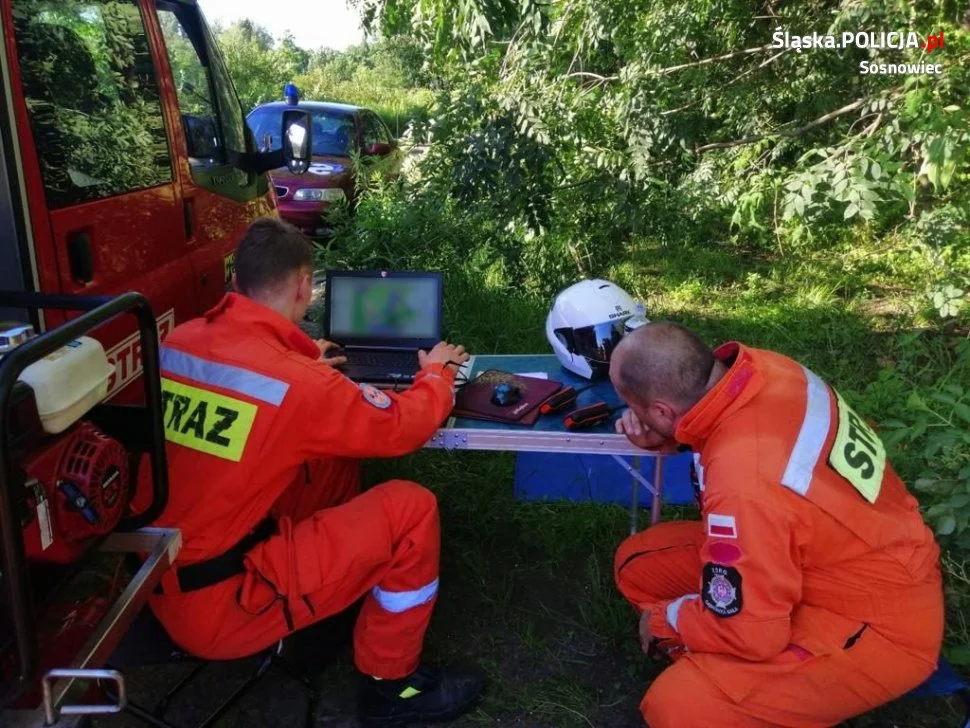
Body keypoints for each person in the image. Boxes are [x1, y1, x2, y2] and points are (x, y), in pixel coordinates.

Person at [146, 217, 484, 726]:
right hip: (224, 604)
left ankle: (333, 605)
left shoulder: (181, 341)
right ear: (305, 286)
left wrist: (304, 369)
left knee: (330, 458)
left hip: (158, 575)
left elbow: (251, 406)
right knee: (412, 510)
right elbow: (399, 428)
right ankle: (390, 689)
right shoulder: (298, 385)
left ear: (238, 280)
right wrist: (436, 374)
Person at [608, 321, 943, 728]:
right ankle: (742, 684)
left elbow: (751, 632)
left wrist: (665, 621)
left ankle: (741, 692)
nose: (633, 415)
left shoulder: (743, 483)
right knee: (638, 566)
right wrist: (671, 436)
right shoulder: (766, 370)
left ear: (662, 409)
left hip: (875, 624)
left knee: (677, 708)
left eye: (638, 407)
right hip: (827, 556)